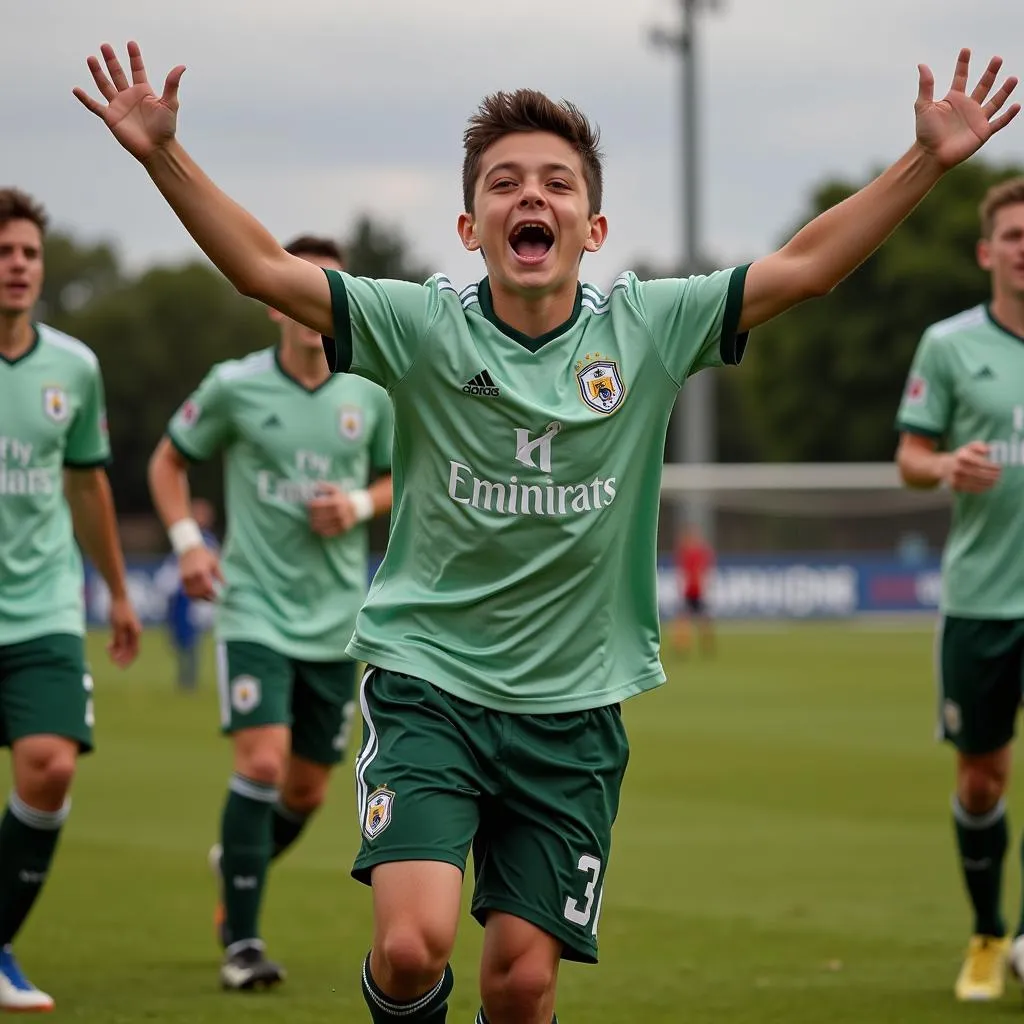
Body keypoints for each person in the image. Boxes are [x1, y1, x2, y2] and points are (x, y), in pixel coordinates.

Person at [75, 41, 1018, 1024]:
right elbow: (265, 270)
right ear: (470, 224)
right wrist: (160, 155)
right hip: (430, 684)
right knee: (409, 946)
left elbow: (808, 267)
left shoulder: (648, 328)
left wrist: (927, 162)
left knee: (521, 985)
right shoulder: (422, 326)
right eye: (504, 182)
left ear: (592, 224)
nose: (532, 195)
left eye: (556, 182)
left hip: (572, 712)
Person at [147, 233, 394, 991]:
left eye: (331, 290)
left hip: (334, 621)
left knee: (308, 790)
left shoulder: (370, 393)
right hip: (252, 608)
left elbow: (402, 479)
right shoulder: (233, 386)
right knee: (259, 762)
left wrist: (356, 503)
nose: (315, 305)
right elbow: (168, 460)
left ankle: (238, 859)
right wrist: (189, 542)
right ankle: (243, 944)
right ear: (272, 301)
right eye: (303, 288)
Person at [0, 187, 141, 1010]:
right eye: (4, 252)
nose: (17, 266)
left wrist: (119, 592)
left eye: (27, 253)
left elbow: (87, 489)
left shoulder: (74, 368)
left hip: (45, 608)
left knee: (50, 766)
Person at [895, 176, 1024, 1001]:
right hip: (981, 601)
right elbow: (909, 458)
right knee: (982, 778)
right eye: (1013, 234)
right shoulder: (948, 346)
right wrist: (946, 465)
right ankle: (986, 932)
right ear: (988, 252)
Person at [155, 496, 218, 690]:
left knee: (191, 638)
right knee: (179, 638)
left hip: (195, 598)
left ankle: (189, 678)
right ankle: (185, 677)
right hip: (179, 597)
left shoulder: (208, 541)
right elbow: (171, 567)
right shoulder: (184, 539)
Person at [671, 524, 715, 656]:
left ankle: (705, 646)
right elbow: (684, 572)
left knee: (697, 619)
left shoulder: (696, 552)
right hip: (690, 591)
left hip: (696, 590)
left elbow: (703, 571)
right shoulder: (688, 552)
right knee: (687, 620)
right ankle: (684, 646)